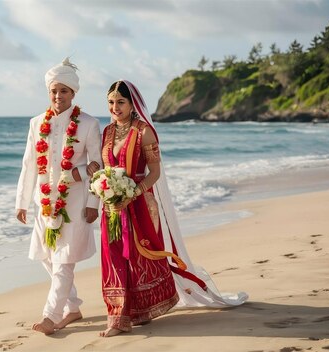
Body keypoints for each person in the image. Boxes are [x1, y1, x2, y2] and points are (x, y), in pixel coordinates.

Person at [89, 80, 248, 337]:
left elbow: (155, 173)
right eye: (110, 102)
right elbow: (104, 167)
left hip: (139, 202)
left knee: (140, 258)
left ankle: (142, 310)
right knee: (114, 257)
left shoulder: (144, 132)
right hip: (112, 207)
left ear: (132, 105)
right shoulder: (106, 132)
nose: (114, 107)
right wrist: (99, 182)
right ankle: (117, 317)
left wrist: (133, 192)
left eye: (120, 102)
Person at [15, 58, 102, 335]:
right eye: (53, 90)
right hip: (45, 203)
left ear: (73, 93)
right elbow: (29, 164)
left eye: (63, 91)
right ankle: (73, 307)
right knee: (46, 257)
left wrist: (92, 203)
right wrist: (22, 202)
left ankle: (50, 316)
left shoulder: (88, 124)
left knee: (64, 261)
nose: (57, 96)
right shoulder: (36, 123)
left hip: (75, 203)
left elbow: (97, 166)